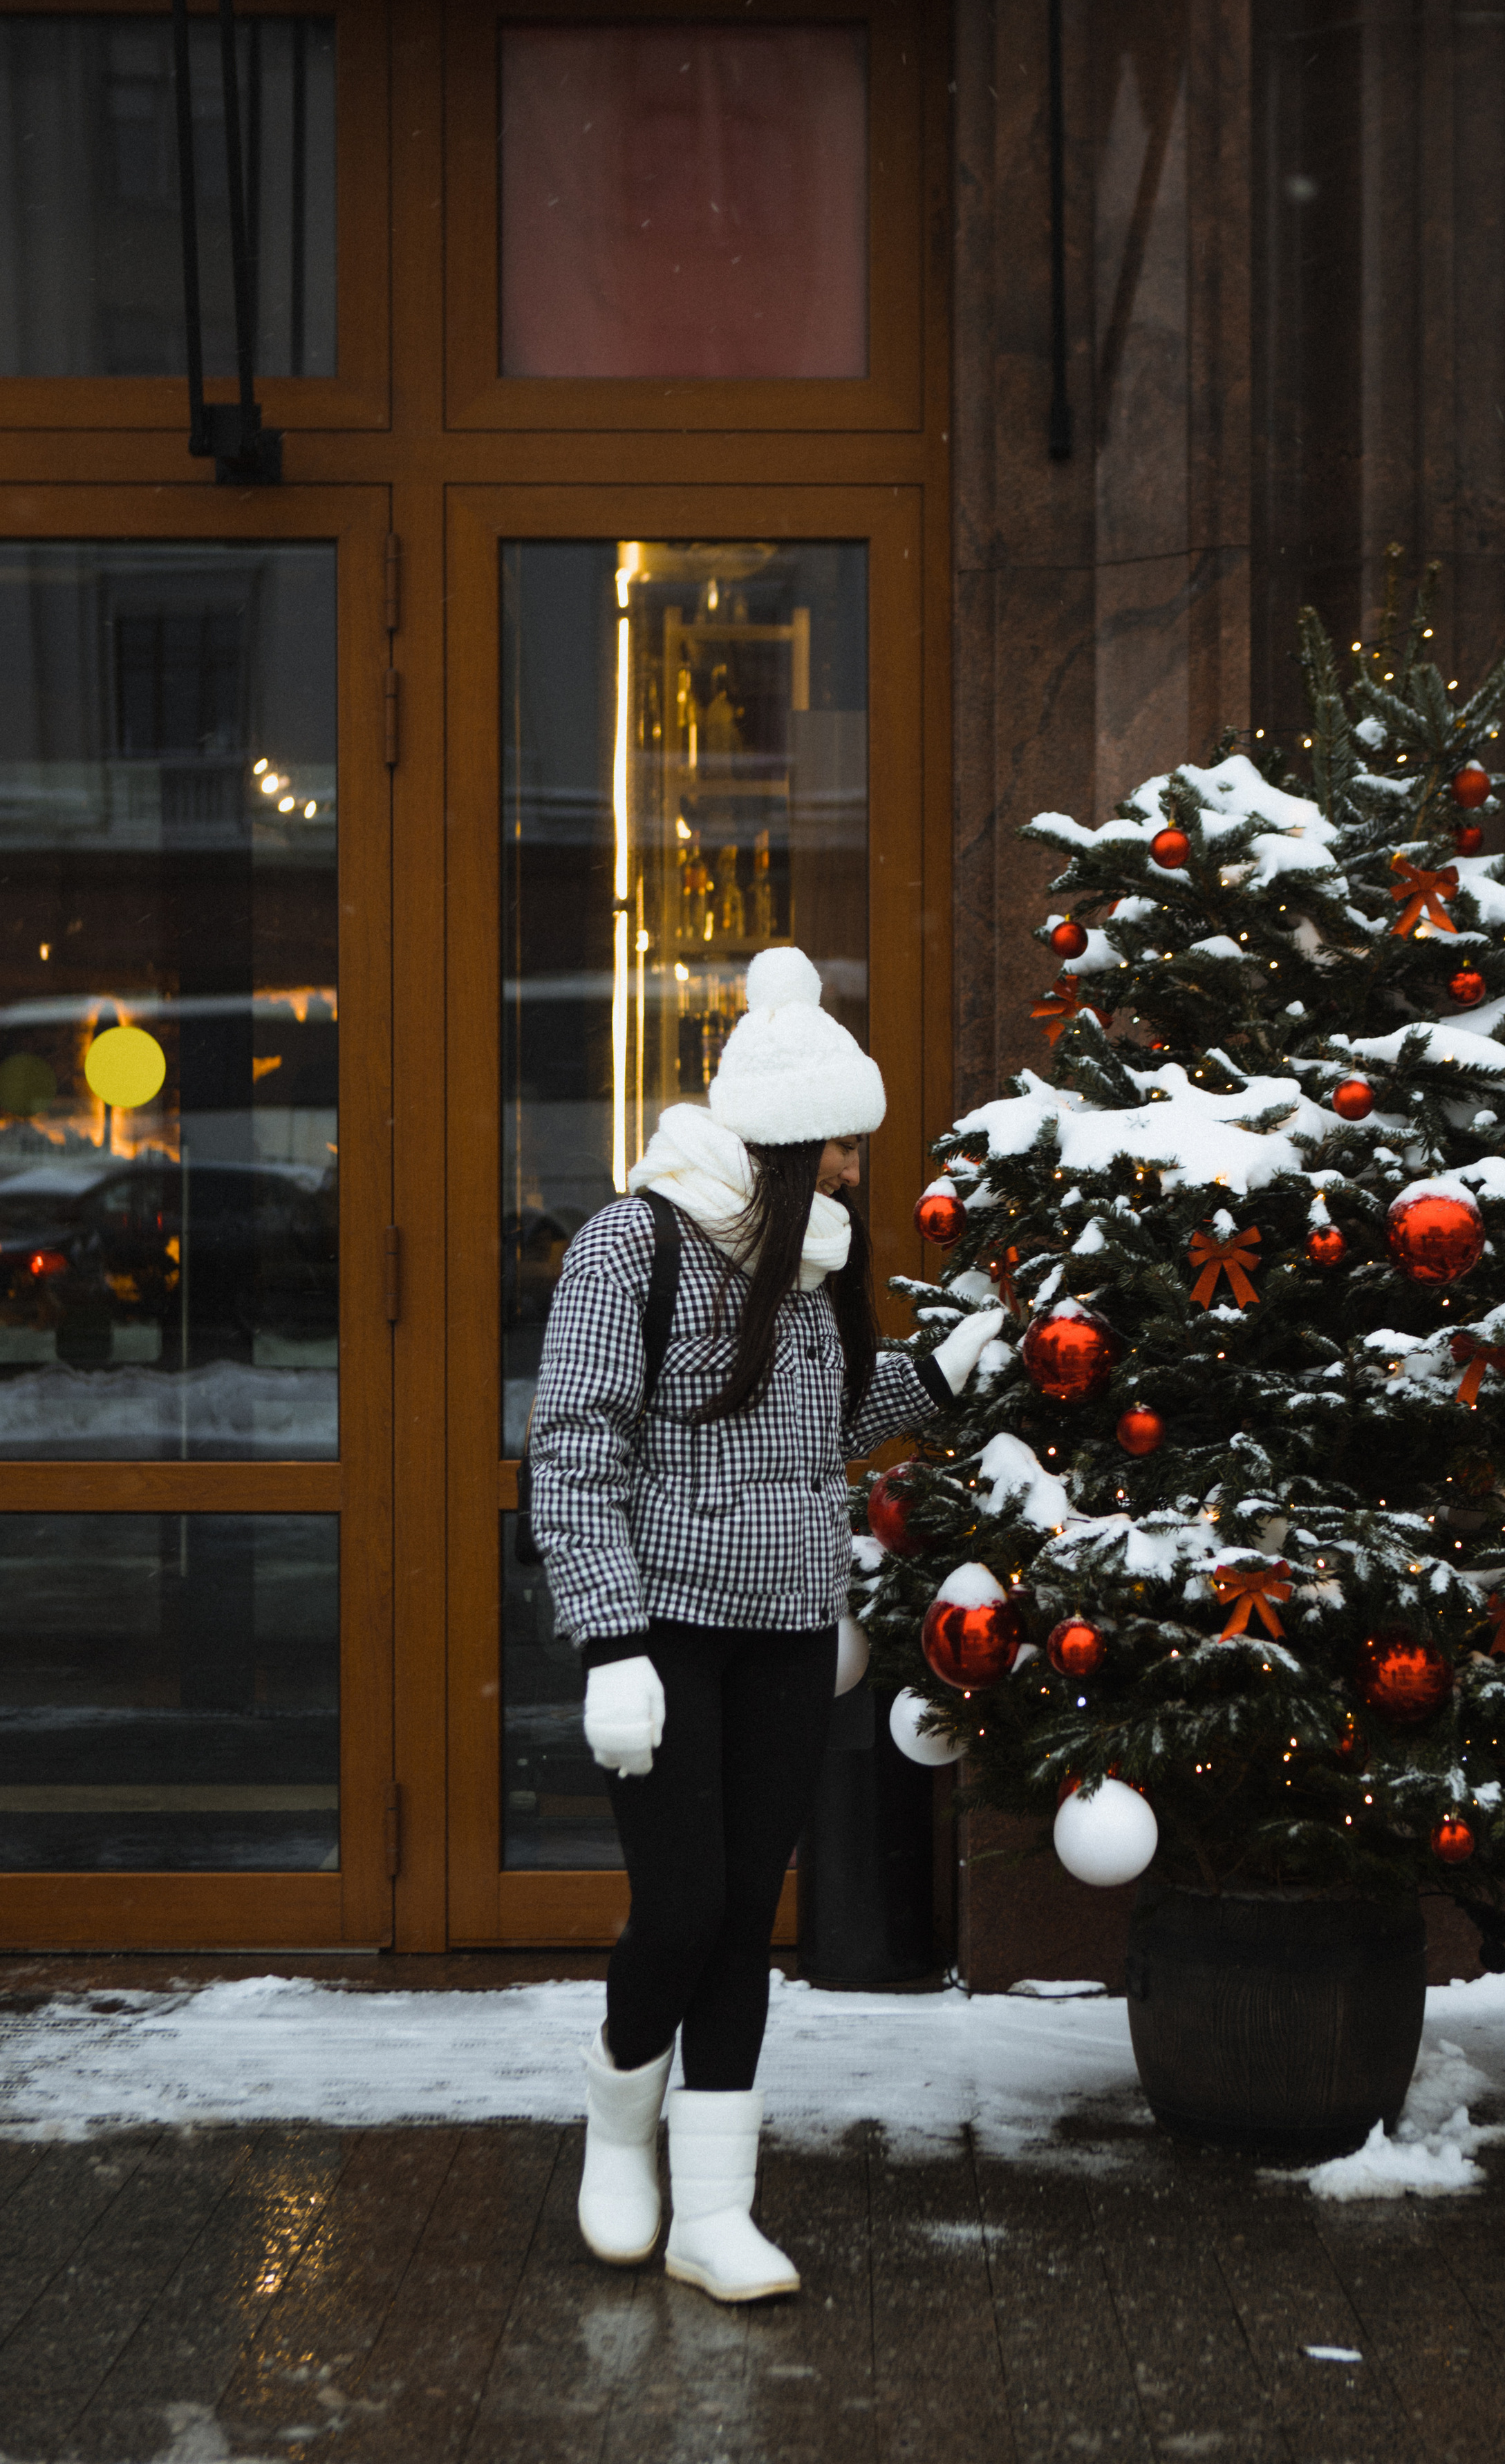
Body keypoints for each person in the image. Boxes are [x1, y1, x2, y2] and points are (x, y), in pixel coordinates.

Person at [528, 946, 1002, 2304]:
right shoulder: (634, 1245)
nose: (855, 1170)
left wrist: (938, 1373)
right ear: (789, 1144)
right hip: (665, 1636)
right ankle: (618, 2118)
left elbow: (815, 1427)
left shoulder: (809, 1263)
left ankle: (714, 2212)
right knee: (681, 1904)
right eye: (843, 1148)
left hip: (791, 1629)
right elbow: (573, 1450)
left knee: (746, 1915)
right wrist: (611, 1642)